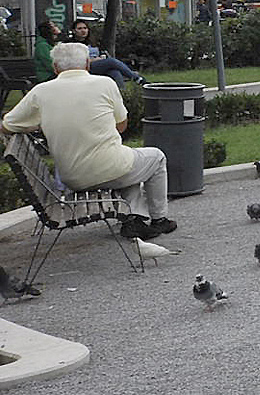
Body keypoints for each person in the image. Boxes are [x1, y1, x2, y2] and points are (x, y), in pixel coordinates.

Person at [3, 42, 175, 239]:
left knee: (127, 162)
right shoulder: (105, 83)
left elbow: (7, 125)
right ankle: (159, 219)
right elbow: (121, 125)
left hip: (72, 178)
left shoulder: (40, 91)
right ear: (87, 64)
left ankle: (135, 220)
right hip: (111, 168)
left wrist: (38, 124)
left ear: (55, 68)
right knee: (155, 158)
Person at [68, 19, 146, 85]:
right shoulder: (71, 44)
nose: (83, 31)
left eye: (85, 28)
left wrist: (102, 57)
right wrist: (93, 60)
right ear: (74, 31)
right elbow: (75, 61)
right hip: (84, 68)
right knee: (112, 62)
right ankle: (136, 77)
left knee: (115, 72)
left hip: (98, 65)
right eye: (80, 28)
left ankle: (122, 95)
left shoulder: (92, 41)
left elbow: (101, 52)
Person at [29, 19, 61, 85]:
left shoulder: (50, 43)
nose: (56, 27)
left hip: (54, 74)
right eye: (53, 26)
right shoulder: (42, 46)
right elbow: (49, 63)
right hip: (46, 76)